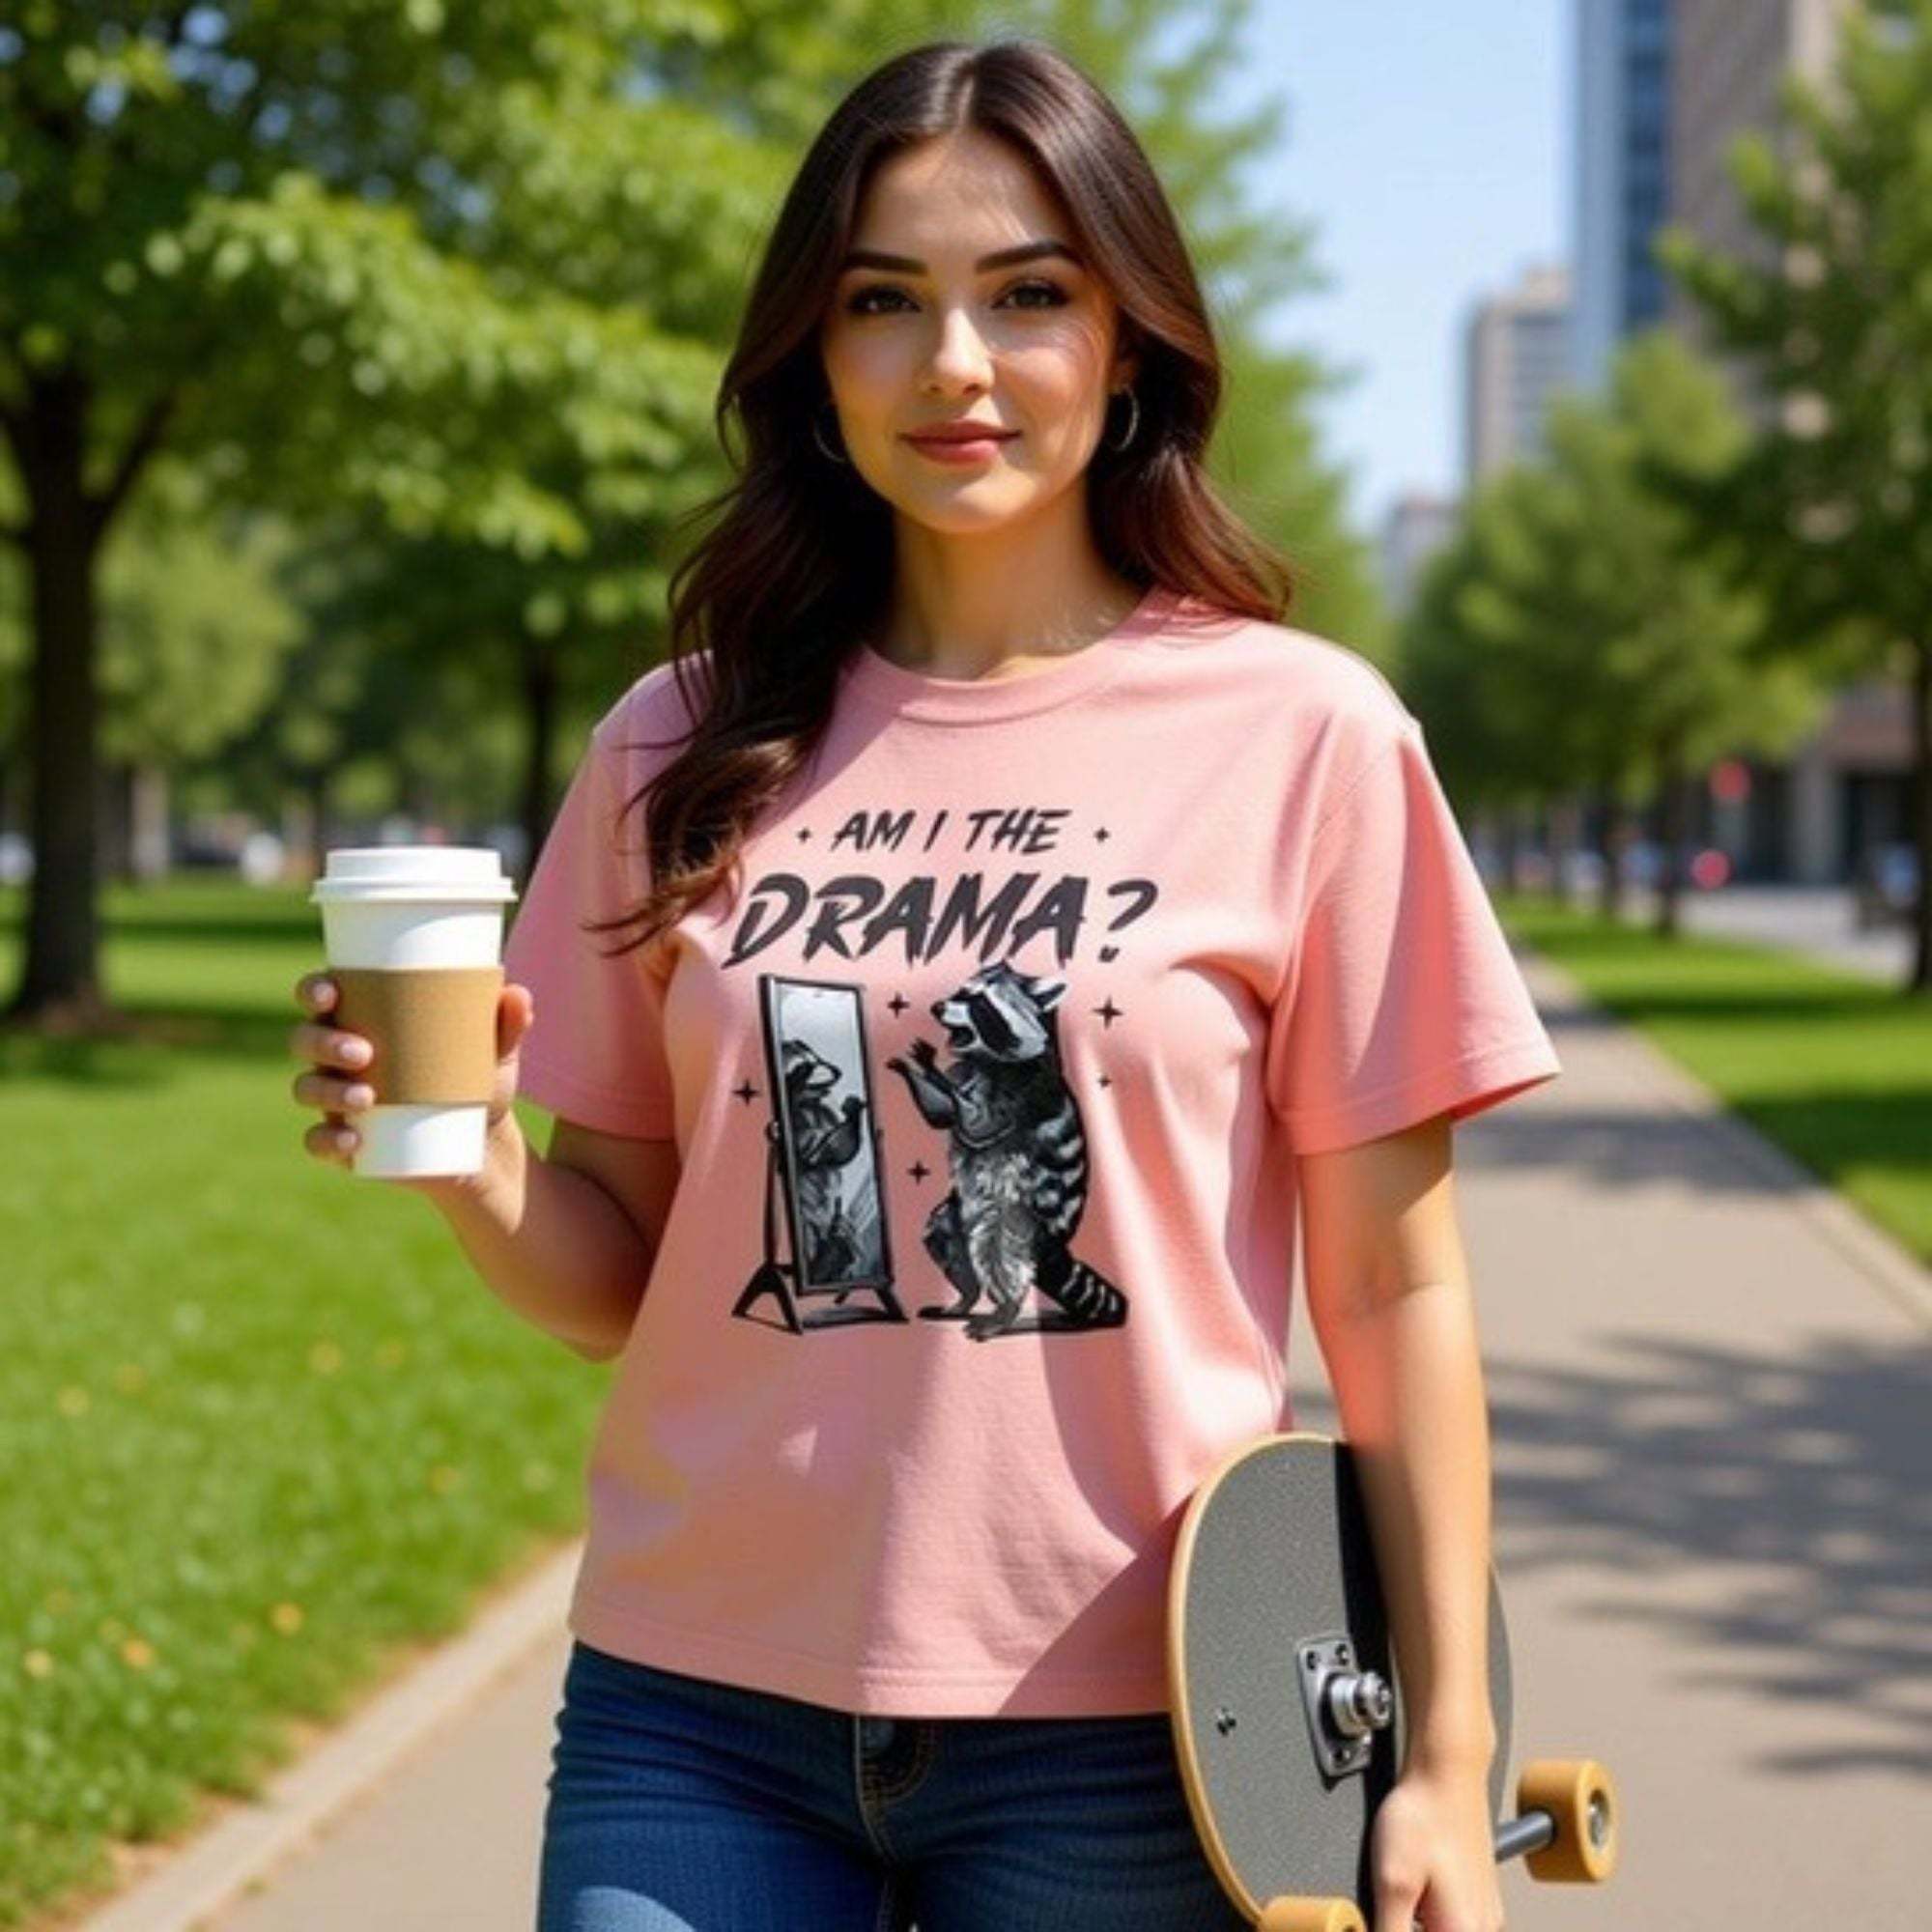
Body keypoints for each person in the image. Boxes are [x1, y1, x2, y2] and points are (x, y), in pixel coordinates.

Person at [289, 36, 1556, 1932]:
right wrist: (468, 1156)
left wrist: (1447, 1758)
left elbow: (1393, 1285)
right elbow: (611, 1270)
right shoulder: (674, 743)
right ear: (816, 355)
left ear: (1129, 343)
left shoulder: (1305, 739)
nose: (952, 365)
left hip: (1137, 1736)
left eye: (1027, 295)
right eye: (885, 302)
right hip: (691, 1717)